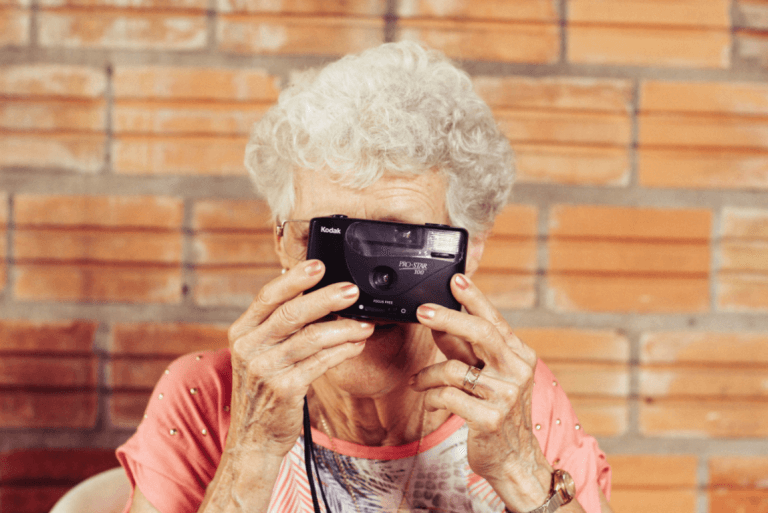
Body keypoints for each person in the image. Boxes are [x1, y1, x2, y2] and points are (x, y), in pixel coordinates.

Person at [117, 41, 613, 513]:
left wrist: (518, 466)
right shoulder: (205, 396)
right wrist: (252, 449)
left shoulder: (510, 398)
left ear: (469, 248)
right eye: (326, 240)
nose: (357, 289)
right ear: (281, 243)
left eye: (398, 243)